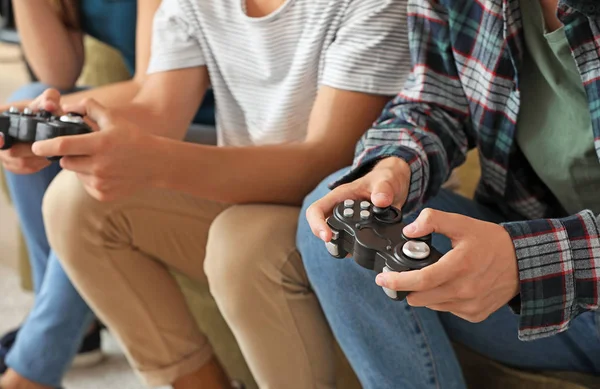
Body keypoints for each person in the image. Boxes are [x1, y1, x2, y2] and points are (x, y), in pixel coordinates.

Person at [26, 0, 412, 387]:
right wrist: (64, 130)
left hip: (349, 214)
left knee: (241, 243)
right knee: (73, 201)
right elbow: (159, 109)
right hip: (254, 194)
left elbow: (325, 162)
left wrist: (159, 163)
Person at [298, 0, 600, 387]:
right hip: (536, 287)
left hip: (558, 270)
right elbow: (436, 98)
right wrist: (394, 164)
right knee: (338, 227)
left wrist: (527, 261)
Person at [0, 1, 211, 388]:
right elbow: (56, 72)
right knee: (31, 113)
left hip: (198, 119)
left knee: (52, 132)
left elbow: (152, 94)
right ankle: (72, 328)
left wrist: (43, 117)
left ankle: (34, 367)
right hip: (156, 108)